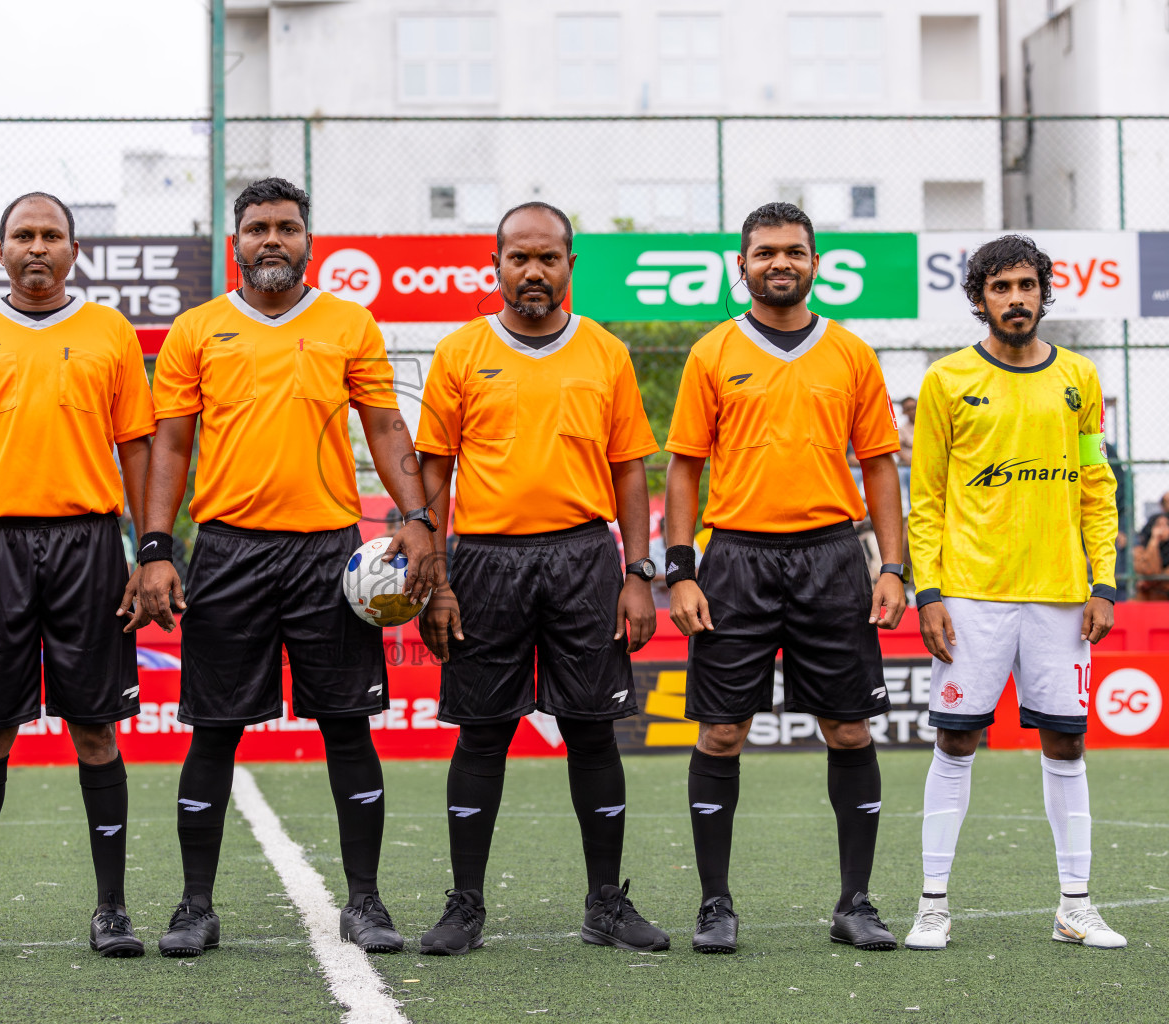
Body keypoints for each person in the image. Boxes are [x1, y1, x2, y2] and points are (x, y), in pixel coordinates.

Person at [141, 177, 438, 958]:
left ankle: (366, 903)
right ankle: (195, 907)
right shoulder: (197, 329)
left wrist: (417, 519)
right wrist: (157, 548)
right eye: (258, 228)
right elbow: (170, 444)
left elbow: (383, 422)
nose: (272, 239)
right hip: (229, 550)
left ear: (310, 240)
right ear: (234, 241)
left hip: (328, 555)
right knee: (212, 732)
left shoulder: (348, 322)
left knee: (348, 727)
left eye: (287, 227)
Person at [413, 202, 666, 956]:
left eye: (547, 258)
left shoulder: (606, 353)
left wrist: (638, 571)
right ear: (495, 265)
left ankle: (605, 905)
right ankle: (465, 906)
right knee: (483, 735)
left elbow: (631, 471)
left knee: (592, 731)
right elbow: (435, 473)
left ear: (569, 267)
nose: (533, 271)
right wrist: (438, 578)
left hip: (585, 557)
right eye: (518, 258)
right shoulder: (460, 352)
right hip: (484, 561)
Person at [664, 202, 907, 954]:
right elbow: (684, 468)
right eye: (764, 251)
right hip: (735, 558)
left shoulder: (851, 353)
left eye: (793, 251)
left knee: (848, 727)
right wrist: (680, 570)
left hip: (833, 556)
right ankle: (715, 906)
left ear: (814, 261)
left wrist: (892, 566)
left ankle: (856, 903)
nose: (780, 262)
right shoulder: (711, 352)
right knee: (723, 731)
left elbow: (878, 467)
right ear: (741, 264)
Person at [0, 191, 156, 960]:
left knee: (95, 729)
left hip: (89, 542)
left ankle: (113, 910)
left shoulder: (110, 332)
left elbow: (138, 450)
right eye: (22, 235)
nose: (37, 248)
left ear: (74, 250)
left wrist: (147, 550)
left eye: (52, 235)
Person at [905, 234, 1125, 950]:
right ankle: (933, 905)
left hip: (1062, 594)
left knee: (1066, 741)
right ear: (979, 300)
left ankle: (1076, 907)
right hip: (970, 592)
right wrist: (928, 590)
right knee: (958, 738)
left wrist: (1102, 580)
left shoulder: (1081, 380)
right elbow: (926, 496)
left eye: (1027, 285)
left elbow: (1097, 485)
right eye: (1001, 288)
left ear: (1044, 292)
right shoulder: (945, 382)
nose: (1016, 298)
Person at [1133, 513, 1169, 600]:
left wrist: (1151, 582)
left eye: (1167, 525)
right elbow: (1150, 571)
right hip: (1147, 602)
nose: (1162, 529)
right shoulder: (1140, 550)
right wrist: (1154, 540)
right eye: (1158, 525)